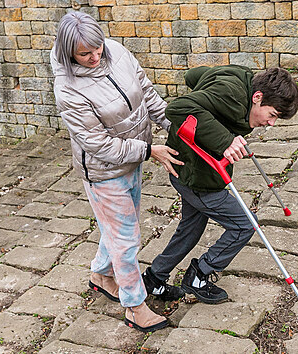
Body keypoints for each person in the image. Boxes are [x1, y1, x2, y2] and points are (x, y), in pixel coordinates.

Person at [51, 11, 184, 333]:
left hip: (132, 160)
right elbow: (98, 144)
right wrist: (149, 151)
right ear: (69, 52)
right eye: (85, 53)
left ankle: (101, 274)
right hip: (104, 171)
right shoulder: (68, 89)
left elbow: (147, 95)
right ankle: (135, 306)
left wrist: (175, 126)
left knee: (118, 229)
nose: (95, 57)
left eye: (97, 49)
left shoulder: (116, 51)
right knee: (126, 239)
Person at [141, 65, 298, 304]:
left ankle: (154, 278)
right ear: (257, 98)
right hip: (197, 177)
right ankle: (200, 274)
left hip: (190, 171)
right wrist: (225, 139)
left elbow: (193, 76)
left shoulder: (242, 78)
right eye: (272, 114)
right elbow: (177, 108)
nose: (271, 124)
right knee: (245, 224)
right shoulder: (231, 95)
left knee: (191, 227)